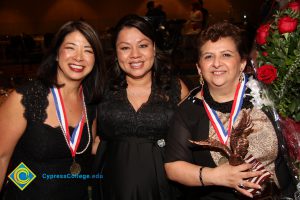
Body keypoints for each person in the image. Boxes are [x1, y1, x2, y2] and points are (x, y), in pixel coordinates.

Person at [164, 21, 296, 199]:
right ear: (199, 68)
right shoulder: (189, 110)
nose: (216, 63)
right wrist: (214, 176)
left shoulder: (268, 97)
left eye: (226, 55)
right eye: (208, 56)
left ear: (242, 63)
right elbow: (173, 167)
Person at [0, 20, 106, 199]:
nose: (79, 57)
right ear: (57, 53)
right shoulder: (25, 98)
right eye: (71, 47)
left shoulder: (91, 103)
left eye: (88, 50)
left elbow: (86, 150)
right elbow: (1, 157)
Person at [96, 14, 189, 200]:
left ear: (154, 47)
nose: (135, 55)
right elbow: (91, 142)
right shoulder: (101, 89)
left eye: (143, 45)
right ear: (116, 52)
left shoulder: (175, 87)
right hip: (112, 186)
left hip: (165, 187)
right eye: (125, 48)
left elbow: (190, 142)